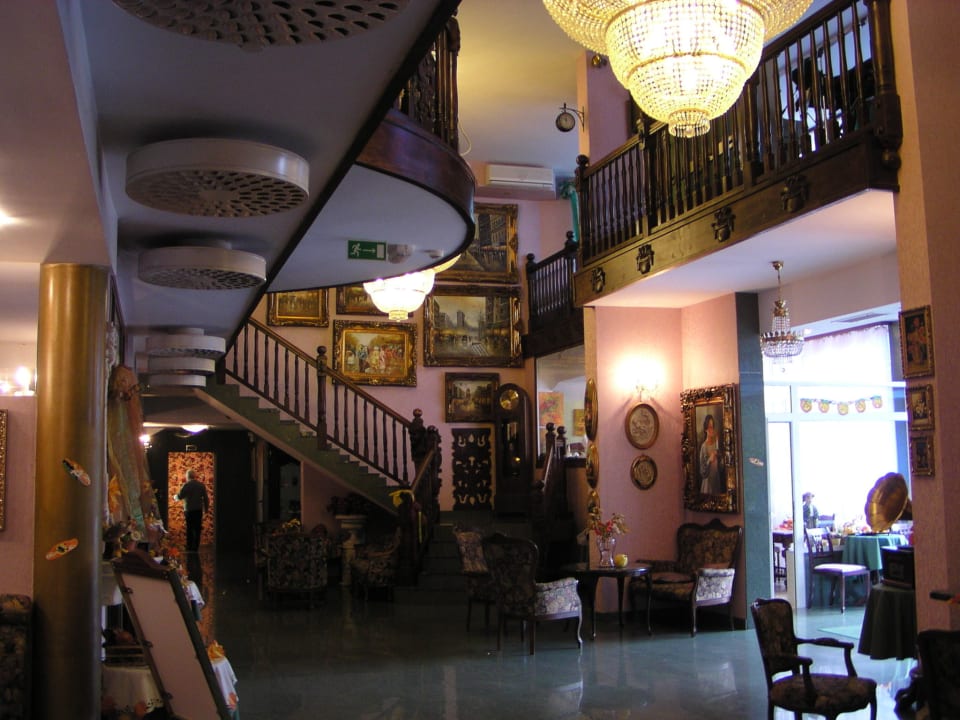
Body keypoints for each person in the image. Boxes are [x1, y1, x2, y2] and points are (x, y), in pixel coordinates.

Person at [175, 469, 209, 552]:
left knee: (189, 528)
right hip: (198, 510)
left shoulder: (186, 485)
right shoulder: (201, 485)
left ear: (187, 476)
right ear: (195, 476)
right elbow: (206, 498)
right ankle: (196, 547)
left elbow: (180, 496)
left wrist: (174, 497)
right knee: (197, 529)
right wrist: (206, 509)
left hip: (189, 510)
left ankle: (189, 546)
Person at [698, 413, 724, 495]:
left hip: (716, 482)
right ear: (705, 429)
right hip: (708, 485)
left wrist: (720, 458)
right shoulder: (704, 447)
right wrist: (709, 460)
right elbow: (702, 471)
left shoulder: (716, 445)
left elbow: (721, 467)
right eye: (709, 427)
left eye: (712, 427)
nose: (712, 429)